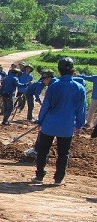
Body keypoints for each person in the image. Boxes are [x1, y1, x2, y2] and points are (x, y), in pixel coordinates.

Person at [32, 57, 86, 185]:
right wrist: (79, 125)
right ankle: (58, 179)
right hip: (66, 126)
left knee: (43, 150)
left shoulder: (54, 85)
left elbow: (46, 105)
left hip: (49, 124)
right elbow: (81, 109)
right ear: (72, 70)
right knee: (63, 153)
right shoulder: (79, 88)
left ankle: (39, 176)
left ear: (59, 70)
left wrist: (40, 120)